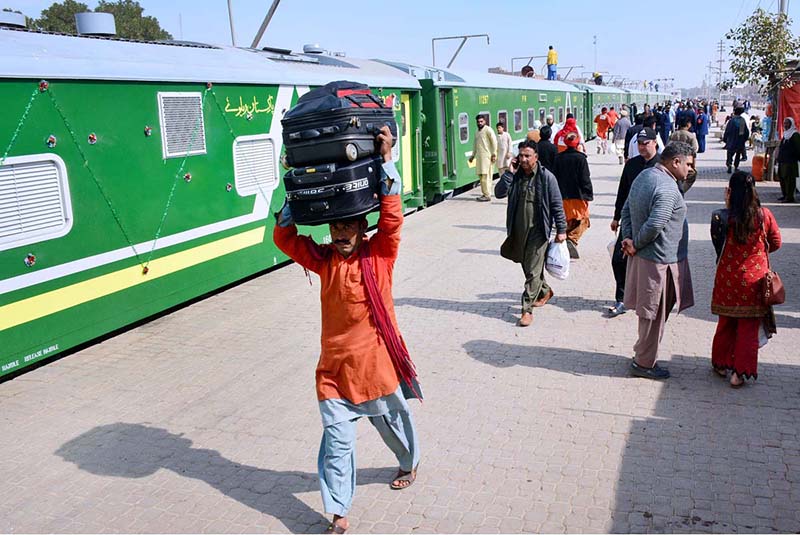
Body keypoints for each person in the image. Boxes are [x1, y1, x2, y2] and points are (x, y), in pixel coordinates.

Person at [273, 127, 421, 535]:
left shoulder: (380, 255)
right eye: (334, 229)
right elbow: (284, 237)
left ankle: (409, 461)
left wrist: (387, 157)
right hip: (334, 373)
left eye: (347, 228)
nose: (339, 235)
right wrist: (294, 187)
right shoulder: (323, 261)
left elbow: (392, 220)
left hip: (375, 367)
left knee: (394, 424)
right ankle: (339, 512)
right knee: (337, 443)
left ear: (361, 227)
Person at [620, 142, 696, 380]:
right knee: (653, 315)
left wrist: (629, 239)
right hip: (660, 262)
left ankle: (643, 354)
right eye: (688, 164)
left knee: (649, 313)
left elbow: (625, 210)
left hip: (645, 258)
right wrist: (636, 243)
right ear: (675, 162)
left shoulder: (645, 176)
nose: (691, 170)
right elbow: (655, 224)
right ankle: (643, 363)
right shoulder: (668, 189)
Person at [710, 171, 781, 387]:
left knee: (726, 323)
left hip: (727, 280)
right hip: (754, 281)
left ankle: (721, 364)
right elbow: (776, 242)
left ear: (730, 192)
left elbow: (717, 245)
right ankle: (738, 374)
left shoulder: (722, 217)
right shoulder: (764, 215)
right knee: (748, 329)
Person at [496, 140, 567, 327]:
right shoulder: (515, 176)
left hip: (538, 232)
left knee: (533, 272)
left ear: (536, 157)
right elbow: (499, 193)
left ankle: (526, 310)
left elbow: (557, 205)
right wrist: (509, 173)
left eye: (528, 156)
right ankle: (545, 291)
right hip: (518, 231)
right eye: (521, 156)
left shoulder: (546, 178)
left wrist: (561, 230)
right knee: (528, 269)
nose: (524, 159)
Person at [608, 127, 660, 317]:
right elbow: (623, 191)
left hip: (652, 222)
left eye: (645, 143)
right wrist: (616, 217)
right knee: (618, 261)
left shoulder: (663, 165)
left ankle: (650, 300)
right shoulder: (632, 165)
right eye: (639, 144)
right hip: (630, 221)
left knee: (649, 265)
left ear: (655, 142)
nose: (642, 147)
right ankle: (621, 299)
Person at [552, 132, 593, 259]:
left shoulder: (558, 158)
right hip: (578, 195)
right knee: (584, 220)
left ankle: (562, 243)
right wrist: (588, 194)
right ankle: (572, 239)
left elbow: (554, 177)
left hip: (562, 195)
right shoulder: (581, 158)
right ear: (577, 143)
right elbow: (585, 178)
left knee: (568, 221)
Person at [469, 114, 497, 201]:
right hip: (480, 157)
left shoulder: (488, 130)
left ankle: (487, 195)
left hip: (487, 157)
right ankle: (484, 193)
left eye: (481, 121)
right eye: (478, 122)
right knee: (481, 177)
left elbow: (494, 142)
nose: (480, 123)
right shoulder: (477, 132)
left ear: (485, 121)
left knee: (486, 176)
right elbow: (475, 145)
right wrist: (473, 156)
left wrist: (494, 154)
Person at [777, 117, 800, 203]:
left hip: (790, 162)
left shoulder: (795, 135)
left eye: (787, 123)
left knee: (790, 180)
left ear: (791, 124)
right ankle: (785, 195)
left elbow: (798, 149)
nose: (785, 125)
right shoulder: (786, 134)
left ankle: (790, 197)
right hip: (783, 161)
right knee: (782, 178)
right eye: (784, 123)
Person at [723, 107, 749, 173]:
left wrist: (725, 139)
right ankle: (736, 167)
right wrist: (744, 140)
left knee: (729, 154)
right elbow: (745, 132)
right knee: (738, 155)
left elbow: (727, 130)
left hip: (731, 141)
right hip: (739, 141)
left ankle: (729, 165)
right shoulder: (742, 120)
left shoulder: (731, 120)